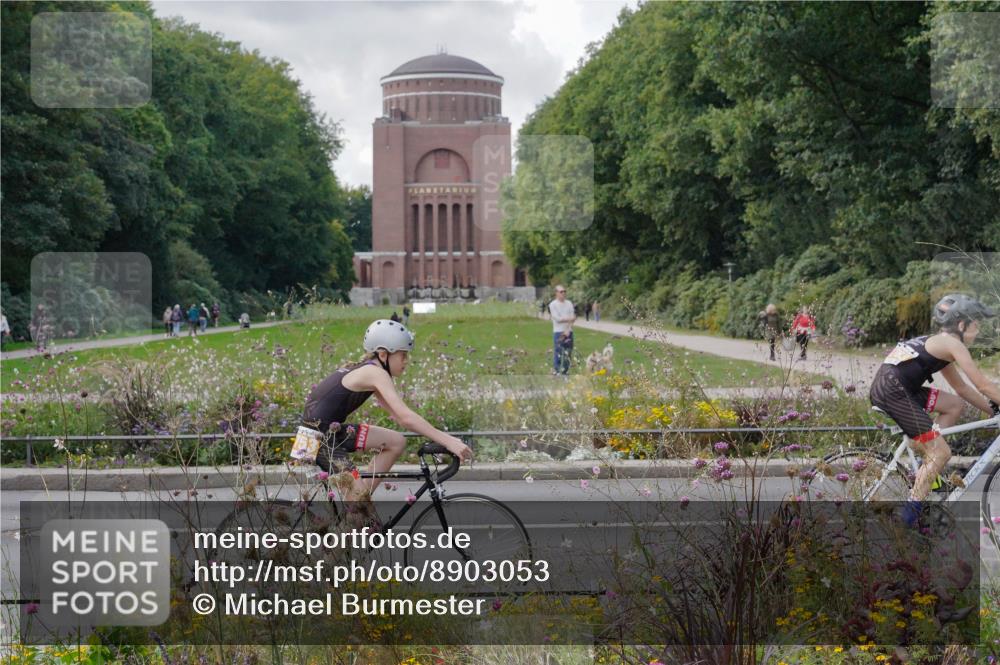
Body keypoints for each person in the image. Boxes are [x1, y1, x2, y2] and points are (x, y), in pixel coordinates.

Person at [302, 319, 473, 524]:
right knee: (359, 509)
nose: (406, 360)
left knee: (396, 442)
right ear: (383, 354)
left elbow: (401, 416)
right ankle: (339, 546)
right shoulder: (375, 373)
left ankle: (359, 502)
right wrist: (449, 441)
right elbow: (406, 417)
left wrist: (445, 438)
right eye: (403, 354)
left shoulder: (372, 372)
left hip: (330, 432)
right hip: (316, 439)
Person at [869, 294, 1000, 526]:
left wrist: (993, 412)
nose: (977, 332)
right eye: (976, 325)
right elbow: (982, 385)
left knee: (954, 405)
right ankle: (908, 518)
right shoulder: (953, 344)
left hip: (899, 387)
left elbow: (962, 390)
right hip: (894, 391)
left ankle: (928, 471)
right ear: (961, 325)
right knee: (941, 452)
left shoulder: (941, 344)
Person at [548, 286, 576, 375]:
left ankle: (565, 371)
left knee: (568, 352)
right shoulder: (553, 304)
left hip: (569, 331)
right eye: (561, 292)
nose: (563, 293)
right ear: (556, 293)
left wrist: (568, 329)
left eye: (564, 291)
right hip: (558, 331)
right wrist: (569, 319)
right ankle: (557, 371)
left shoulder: (569, 303)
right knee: (558, 352)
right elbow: (557, 319)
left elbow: (573, 317)